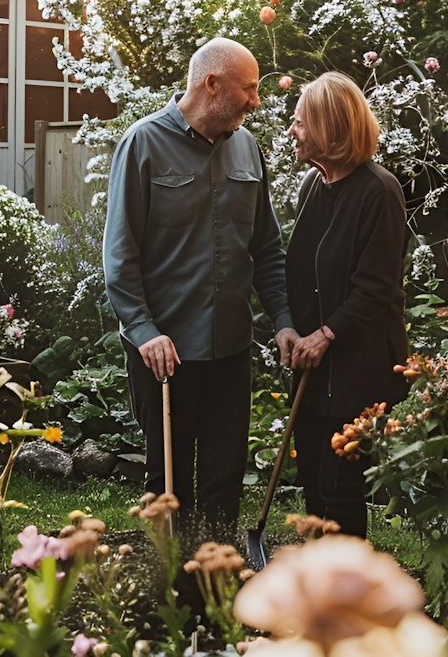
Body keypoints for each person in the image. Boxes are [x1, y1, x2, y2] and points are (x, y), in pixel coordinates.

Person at [103, 37, 299, 529]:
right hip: (164, 351)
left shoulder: (248, 150)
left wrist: (283, 321)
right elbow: (120, 254)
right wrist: (144, 332)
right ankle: (167, 588)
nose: (257, 101)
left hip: (230, 348)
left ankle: (214, 589)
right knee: (168, 483)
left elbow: (267, 248)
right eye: (249, 90)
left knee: (224, 477)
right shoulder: (142, 144)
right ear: (212, 85)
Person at [283, 70, 409, 539]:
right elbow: (302, 272)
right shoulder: (311, 188)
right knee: (314, 486)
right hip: (312, 370)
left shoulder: (379, 191)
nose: (291, 132)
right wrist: (290, 330)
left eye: (300, 123)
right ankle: (321, 586)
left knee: (340, 490)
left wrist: (327, 333)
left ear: (331, 127)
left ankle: (349, 592)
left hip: (357, 369)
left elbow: (376, 287)